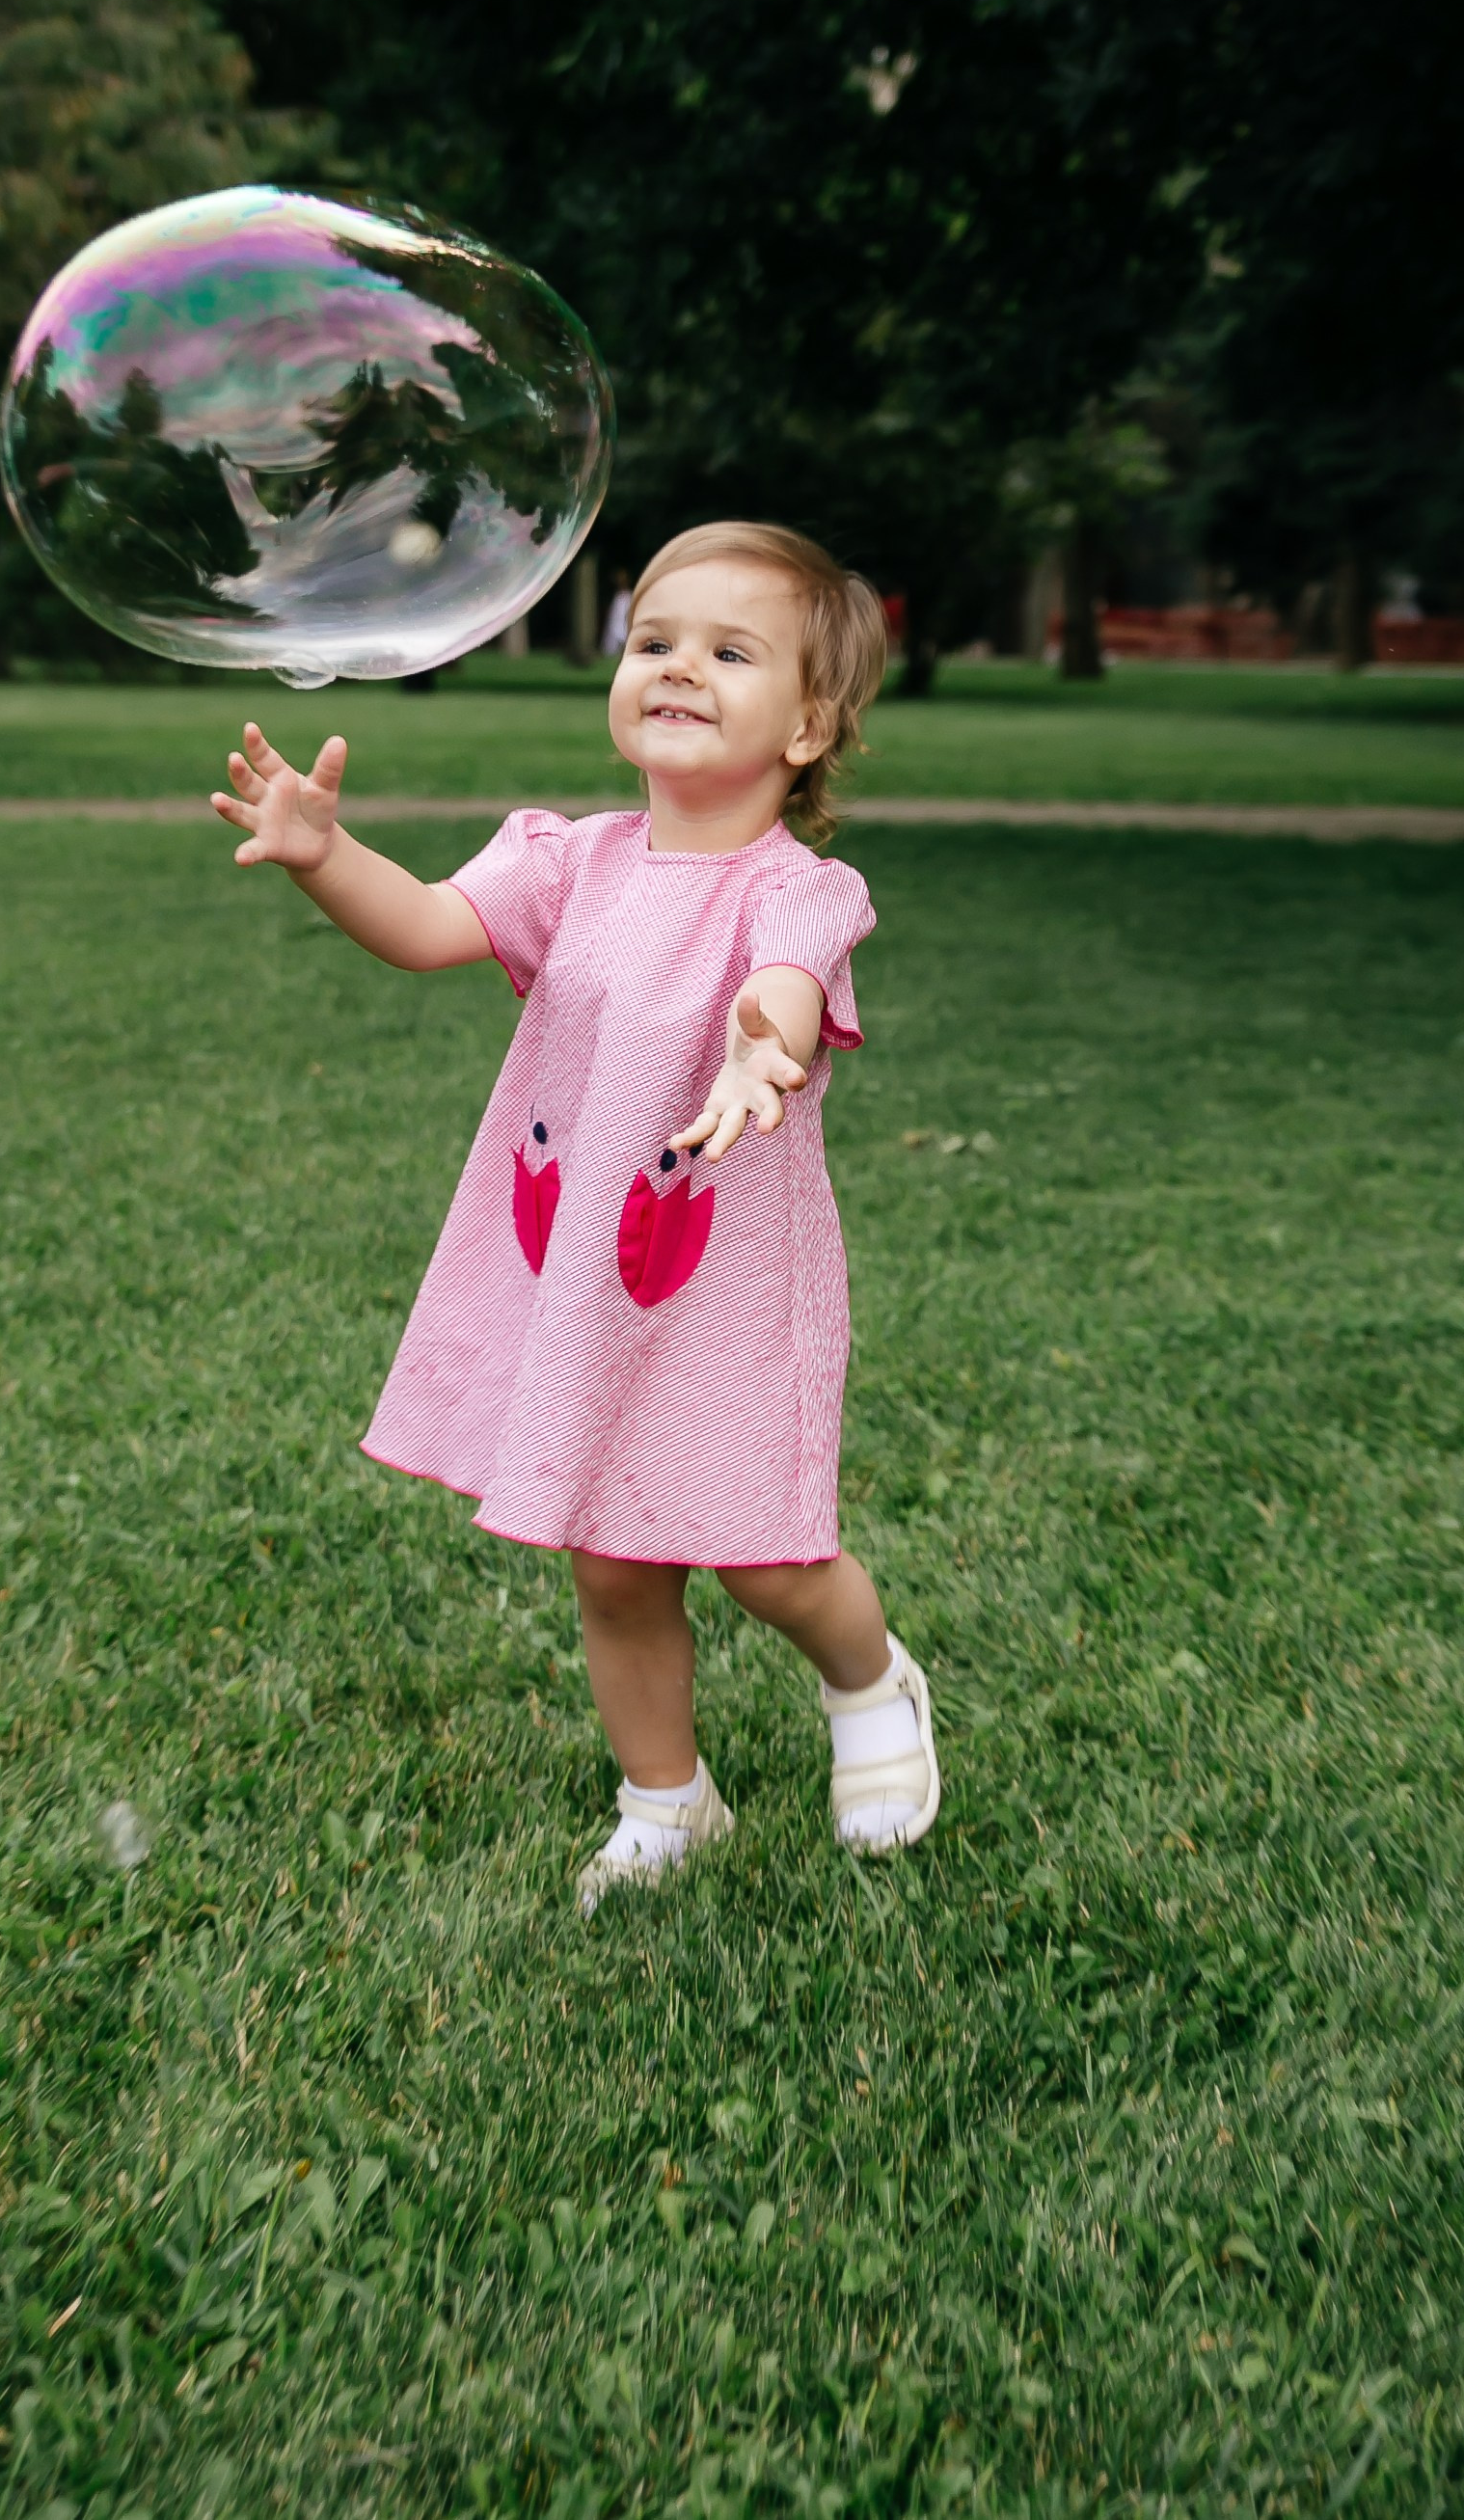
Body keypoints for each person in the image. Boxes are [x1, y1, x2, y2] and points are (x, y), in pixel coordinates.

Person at [210, 520, 939, 1907]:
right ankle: (667, 1801)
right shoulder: (568, 863)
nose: (675, 666)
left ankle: (869, 1684)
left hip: (727, 1292)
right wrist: (322, 854)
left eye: (730, 651)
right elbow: (427, 924)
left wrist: (761, 1045)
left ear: (811, 727)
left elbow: (784, 983)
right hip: (587, 1279)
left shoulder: (797, 887)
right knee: (612, 1560)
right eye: (653, 639)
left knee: (769, 1562)